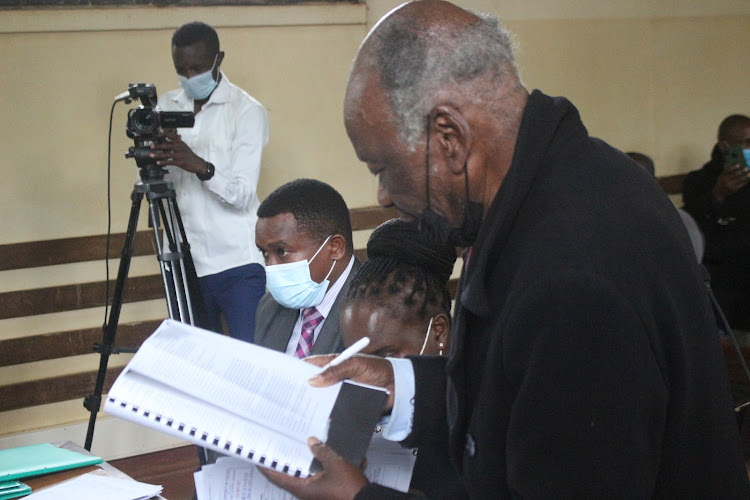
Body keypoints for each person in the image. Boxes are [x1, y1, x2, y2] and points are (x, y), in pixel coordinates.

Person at [260, 1, 750, 498]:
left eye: (381, 168)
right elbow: (518, 388)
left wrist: (358, 497)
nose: (384, 196)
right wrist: (397, 383)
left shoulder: (569, 277)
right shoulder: (565, 181)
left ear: (449, 137)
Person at [149, 21, 268, 343]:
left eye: (197, 68)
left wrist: (197, 164)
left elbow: (242, 195)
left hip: (237, 263)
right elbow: (150, 187)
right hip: (183, 262)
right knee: (200, 365)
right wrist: (155, 158)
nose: (189, 78)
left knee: (251, 358)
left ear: (219, 59)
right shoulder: (166, 109)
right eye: (181, 69)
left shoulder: (246, 111)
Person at [340, 218, 466, 499]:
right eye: (356, 360)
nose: (368, 375)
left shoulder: (471, 421)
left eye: (386, 355)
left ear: (439, 332)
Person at [254, 178, 359, 357]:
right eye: (265, 254)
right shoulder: (269, 308)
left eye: (281, 251)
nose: (270, 267)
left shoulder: (376, 311)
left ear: (335, 247)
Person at [683, 114, 750, 329]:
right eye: (746, 143)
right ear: (725, 146)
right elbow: (694, 229)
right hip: (720, 277)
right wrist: (718, 195)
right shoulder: (697, 181)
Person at [626, 151, 705, 261]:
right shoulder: (608, 219)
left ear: (654, 183)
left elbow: (690, 267)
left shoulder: (680, 222)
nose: (628, 188)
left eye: (637, 181)